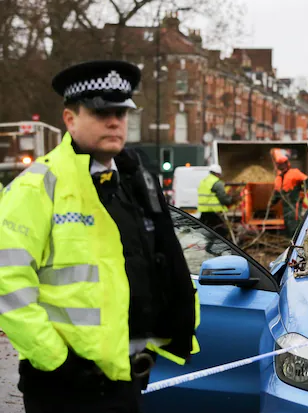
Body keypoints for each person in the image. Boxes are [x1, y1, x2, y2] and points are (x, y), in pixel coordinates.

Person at [0, 60, 199, 413]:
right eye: (100, 111)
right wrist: (58, 362)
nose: (114, 121)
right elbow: (7, 283)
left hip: (126, 380)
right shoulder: (37, 187)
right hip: (65, 387)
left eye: (121, 112)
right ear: (70, 118)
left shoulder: (137, 184)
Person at [273, 154, 308, 238]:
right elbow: (277, 193)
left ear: (287, 164)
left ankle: (295, 240)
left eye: (282, 164)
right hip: (285, 206)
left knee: (294, 223)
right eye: (279, 164)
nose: (281, 166)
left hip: (294, 203)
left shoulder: (294, 173)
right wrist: (271, 203)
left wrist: (302, 192)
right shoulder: (278, 178)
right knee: (287, 224)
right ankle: (288, 242)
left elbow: (307, 181)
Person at [198, 164, 239, 237]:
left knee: (203, 233)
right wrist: (232, 200)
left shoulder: (204, 181)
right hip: (214, 212)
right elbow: (223, 199)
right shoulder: (217, 183)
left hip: (204, 212)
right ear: (217, 173)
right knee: (221, 233)